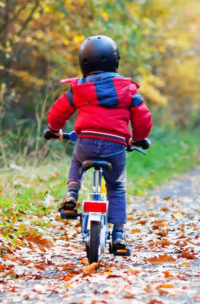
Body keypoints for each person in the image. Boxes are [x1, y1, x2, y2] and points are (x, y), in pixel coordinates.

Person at [46, 35, 152, 254]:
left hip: (86, 142)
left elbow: (59, 111)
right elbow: (142, 117)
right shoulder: (128, 89)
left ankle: (72, 194)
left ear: (83, 61)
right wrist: (138, 137)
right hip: (115, 147)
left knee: (77, 159)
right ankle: (119, 236)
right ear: (115, 61)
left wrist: (54, 129)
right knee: (116, 187)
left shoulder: (79, 89)